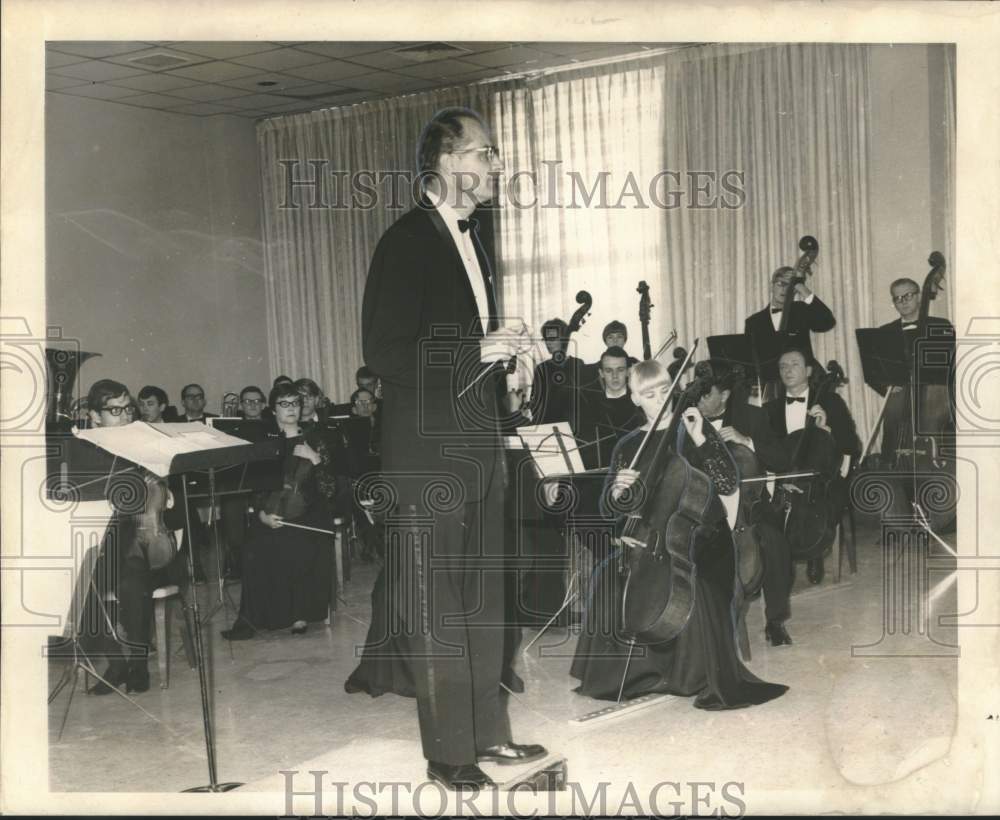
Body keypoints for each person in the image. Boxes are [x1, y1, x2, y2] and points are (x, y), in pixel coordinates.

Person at [361, 106, 545, 790]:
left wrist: (506, 355)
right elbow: (382, 352)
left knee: (486, 598)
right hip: (426, 455)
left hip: (478, 444)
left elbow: (461, 354)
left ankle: (489, 737)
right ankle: (447, 755)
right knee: (442, 605)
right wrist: (476, 348)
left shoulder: (479, 237)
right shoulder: (404, 242)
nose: (497, 164)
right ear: (446, 163)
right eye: (486, 152)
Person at [570, 360, 788, 707]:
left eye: (664, 391)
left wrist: (703, 440)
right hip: (651, 540)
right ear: (634, 398)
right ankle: (629, 677)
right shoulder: (627, 445)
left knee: (691, 585)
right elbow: (609, 511)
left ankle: (686, 675)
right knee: (609, 576)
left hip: (702, 540)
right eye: (648, 394)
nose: (659, 400)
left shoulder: (693, 429)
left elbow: (728, 483)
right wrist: (615, 494)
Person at [81, 380, 188, 694]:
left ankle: (139, 666)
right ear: (95, 416)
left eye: (128, 408)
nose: (125, 416)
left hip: (146, 544)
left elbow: (168, 496)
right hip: (99, 541)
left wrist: (167, 492)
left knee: (130, 579)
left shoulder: (143, 442)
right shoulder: (85, 450)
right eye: (115, 410)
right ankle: (117, 664)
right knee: (75, 588)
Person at [221, 382, 337, 639]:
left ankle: (299, 614)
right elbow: (256, 487)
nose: (291, 409)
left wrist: (315, 459)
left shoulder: (316, 438)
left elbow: (329, 488)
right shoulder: (266, 443)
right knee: (255, 546)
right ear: (273, 410)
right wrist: (261, 514)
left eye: (294, 403)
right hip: (272, 511)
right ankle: (262, 616)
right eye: (284, 404)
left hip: (310, 512)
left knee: (297, 543)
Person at [764, 349, 861, 585]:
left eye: (794, 364)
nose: (788, 370)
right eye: (783, 366)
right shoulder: (770, 409)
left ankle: (814, 554)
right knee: (762, 509)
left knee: (814, 507)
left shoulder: (831, 402)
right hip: (784, 477)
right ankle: (779, 560)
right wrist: (779, 477)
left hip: (821, 481)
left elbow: (851, 445)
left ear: (808, 371)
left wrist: (826, 430)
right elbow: (766, 450)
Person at [744, 266, 836, 390]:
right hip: (770, 387)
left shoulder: (801, 310)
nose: (784, 289)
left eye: (789, 286)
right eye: (780, 284)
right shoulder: (753, 322)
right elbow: (751, 360)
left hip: (803, 383)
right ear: (772, 286)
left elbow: (827, 322)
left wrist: (800, 286)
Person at [576, 346, 643, 469]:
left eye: (620, 370)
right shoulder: (589, 405)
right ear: (601, 373)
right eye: (608, 370)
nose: (615, 376)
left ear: (628, 371)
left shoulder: (640, 404)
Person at [527, 317, 586, 430]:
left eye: (553, 339)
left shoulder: (578, 364)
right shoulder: (541, 369)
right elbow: (536, 404)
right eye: (546, 339)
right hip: (548, 426)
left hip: (575, 427)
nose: (549, 343)